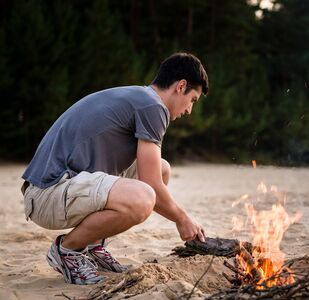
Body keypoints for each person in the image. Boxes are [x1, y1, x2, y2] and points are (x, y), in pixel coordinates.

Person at [21, 52, 208, 285]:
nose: (190, 110)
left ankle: (92, 246)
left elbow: (153, 174)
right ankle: (67, 250)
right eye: (193, 100)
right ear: (181, 86)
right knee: (143, 196)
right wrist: (183, 219)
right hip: (47, 193)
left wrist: (181, 218)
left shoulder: (141, 98)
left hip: (56, 188)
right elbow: (150, 186)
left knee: (162, 169)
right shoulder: (153, 107)